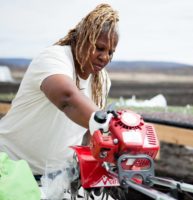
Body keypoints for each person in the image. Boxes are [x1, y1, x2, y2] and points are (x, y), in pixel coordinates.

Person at [0, 4, 119, 175]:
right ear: (82, 39)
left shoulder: (102, 80)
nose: (105, 57)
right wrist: (111, 127)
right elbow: (67, 99)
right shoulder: (54, 58)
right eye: (99, 48)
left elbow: (89, 131)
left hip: (57, 177)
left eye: (111, 52)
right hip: (9, 167)